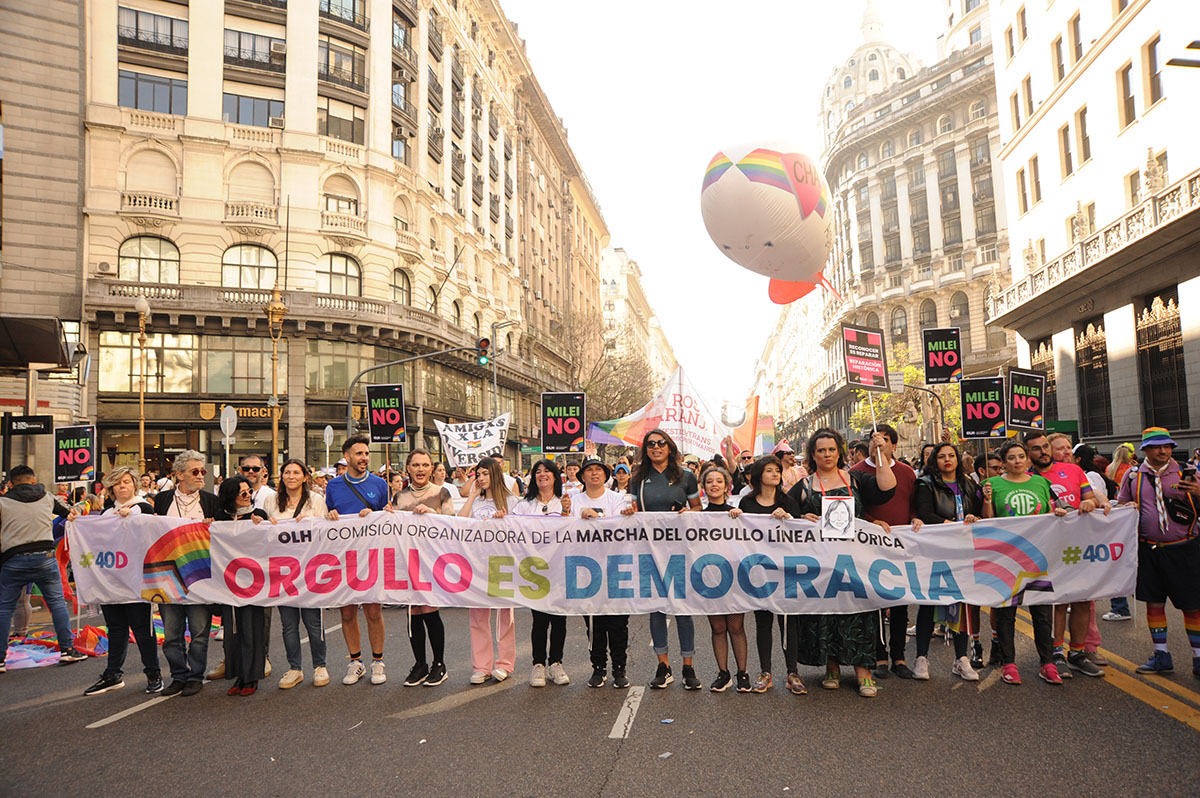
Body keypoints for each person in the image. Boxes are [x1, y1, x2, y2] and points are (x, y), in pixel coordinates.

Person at [789, 428, 896, 698]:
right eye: (821, 450)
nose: (827, 454)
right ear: (812, 455)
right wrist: (800, 518)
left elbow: (886, 488)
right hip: (822, 567)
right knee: (828, 615)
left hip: (856, 563)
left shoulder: (857, 479)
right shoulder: (803, 486)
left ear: (840, 451)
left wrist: (881, 453)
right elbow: (783, 516)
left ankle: (864, 672)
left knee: (860, 614)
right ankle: (832, 667)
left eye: (832, 449)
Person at [982, 439, 1069, 685]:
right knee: (1006, 614)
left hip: (1037, 557)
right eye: (1011, 458)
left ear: (1027, 459)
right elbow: (987, 520)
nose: (1017, 461)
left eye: (1021, 456)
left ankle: (1047, 663)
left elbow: (1052, 509)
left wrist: (1057, 513)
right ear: (1003, 462)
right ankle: (1009, 663)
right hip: (1006, 559)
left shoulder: (1042, 482)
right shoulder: (992, 484)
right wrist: (987, 499)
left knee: (1042, 613)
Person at [1116, 428, 1200, 678]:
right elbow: (1120, 505)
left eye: (1167, 446)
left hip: (1185, 548)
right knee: (1154, 603)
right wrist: (1126, 506)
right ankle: (1161, 655)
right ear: (1145, 450)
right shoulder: (1132, 476)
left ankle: (1198, 657)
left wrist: (1197, 491)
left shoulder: (1191, 472)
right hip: (1148, 549)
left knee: (1193, 606)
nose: (1163, 451)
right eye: (1156, 447)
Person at [1027, 431, 1108, 679]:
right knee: (1058, 602)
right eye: (1036, 448)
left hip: (1079, 545)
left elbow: (1091, 498)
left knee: (1082, 600)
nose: (1042, 452)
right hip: (1048, 547)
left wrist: (1089, 504)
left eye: (1045, 447)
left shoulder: (1073, 471)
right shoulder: (1027, 477)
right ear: (1029, 453)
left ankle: (1078, 653)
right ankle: (1056, 653)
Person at [630, 429, 702, 690]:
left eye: (661, 443)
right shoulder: (638, 478)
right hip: (649, 551)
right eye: (650, 444)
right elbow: (630, 509)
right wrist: (629, 510)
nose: (656, 447)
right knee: (657, 607)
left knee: (682, 608)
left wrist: (688, 512)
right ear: (646, 449)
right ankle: (663, 666)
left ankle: (688, 666)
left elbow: (698, 510)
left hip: (679, 551)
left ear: (669, 448)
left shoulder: (687, 476)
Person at [0, 465, 88, 674]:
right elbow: (69, 514)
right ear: (33, 480)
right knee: (57, 603)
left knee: (5, 608)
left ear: (11, 484)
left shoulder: (3, 502)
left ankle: (0, 658)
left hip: (13, 559)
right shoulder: (47, 497)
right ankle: (67, 649)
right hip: (45, 557)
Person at [850, 424, 920, 681]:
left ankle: (899, 657)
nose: (878, 442)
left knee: (900, 602)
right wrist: (871, 522)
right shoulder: (856, 473)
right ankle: (879, 655)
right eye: (873, 438)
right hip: (869, 545)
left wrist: (915, 519)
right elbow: (855, 507)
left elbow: (914, 504)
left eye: (885, 439)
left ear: (893, 445)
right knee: (875, 602)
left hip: (901, 546)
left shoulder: (906, 472)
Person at [83, 467, 162, 696]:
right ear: (110, 488)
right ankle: (113, 673)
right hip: (112, 582)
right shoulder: (107, 513)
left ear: (135, 484)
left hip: (136, 583)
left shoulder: (143, 507)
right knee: (116, 629)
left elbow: (150, 536)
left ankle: (153, 674)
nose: (122, 486)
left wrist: (134, 520)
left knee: (142, 631)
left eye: (127, 482)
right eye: (117, 483)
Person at [324, 436, 391, 686]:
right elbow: (329, 517)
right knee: (348, 612)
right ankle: (356, 662)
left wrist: (375, 515)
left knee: (373, 611)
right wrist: (329, 515)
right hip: (344, 556)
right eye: (359, 453)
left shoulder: (379, 484)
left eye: (366, 453)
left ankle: (378, 662)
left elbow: (389, 518)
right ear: (347, 457)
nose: (364, 457)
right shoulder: (333, 486)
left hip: (372, 555)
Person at [913, 443, 982, 682]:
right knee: (928, 602)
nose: (947, 460)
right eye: (941, 456)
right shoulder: (925, 484)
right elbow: (924, 513)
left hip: (963, 552)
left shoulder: (969, 484)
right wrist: (949, 525)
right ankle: (921, 658)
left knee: (962, 602)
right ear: (935, 461)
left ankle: (961, 658)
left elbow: (979, 512)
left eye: (951, 455)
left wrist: (974, 517)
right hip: (936, 551)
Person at [153, 451, 220, 696]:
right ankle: (178, 676)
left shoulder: (211, 501)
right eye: (195, 471)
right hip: (168, 576)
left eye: (203, 471)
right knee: (171, 632)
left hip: (200, 576)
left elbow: (226, 535)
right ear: (179, 475)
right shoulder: (162, 500)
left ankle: (195, 677)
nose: (201, 475)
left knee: (200, 631)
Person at [392, 449, 455, 688]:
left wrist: (432, 513)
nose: (420, 469)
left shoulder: (441, 492)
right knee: (413, 613)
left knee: (429, 609)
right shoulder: (400, 496)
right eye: (415, 465)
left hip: (433, 559)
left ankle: (439, 664)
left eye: (425, 465)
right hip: (408, 559)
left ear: (431, 468)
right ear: (407, 468)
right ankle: (420, 664)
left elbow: (452, 524)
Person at [265, 459, 330, 690]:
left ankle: (320, 666)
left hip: (309, 570)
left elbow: (325, 533)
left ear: (305, 477)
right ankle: (295, 668)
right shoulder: (271, 500)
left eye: (296, 472)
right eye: (287, 472)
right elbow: (262, 532)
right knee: (288, 624)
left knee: (313, 622)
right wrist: (263, 522)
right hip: (283, 572)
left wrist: (314, 523)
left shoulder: (316, 500)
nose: (291, 476)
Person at [513, 459, 573, 687]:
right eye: (538, 472)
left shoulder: (565, 502)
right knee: (539, 619)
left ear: (556, 477)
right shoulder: (524, 505)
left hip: (559, 567)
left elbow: (576, 532)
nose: (542, 475)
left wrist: (567, 512)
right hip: (534, 568)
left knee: (558, 617)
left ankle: (556, 663)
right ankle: (538, 664)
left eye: (547, 471)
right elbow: (512, 528)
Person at [458, 457, 518, 684]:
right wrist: (472, 495)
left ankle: (504, 664)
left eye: (485, 474)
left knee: (504, 616)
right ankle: (481, 666)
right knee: (478, 616)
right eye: (478, 474)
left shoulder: (512, 501)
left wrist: (505, 521)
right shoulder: (475, 501)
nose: (481, 478)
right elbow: (459, 523)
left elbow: (522, 529)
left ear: (495, 474)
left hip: (502, 564)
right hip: (477, 565)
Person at [214, 476, 270, 696]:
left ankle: (252, 677)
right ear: (231, 497)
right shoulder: (221, 517)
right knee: (233, 630)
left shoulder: (259, 515)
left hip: (253, 582)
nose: (248, 496)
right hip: (228, 582)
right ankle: (238, 673)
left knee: (252, 629)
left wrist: (262, 526)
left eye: (249, 491)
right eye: (242, 493)